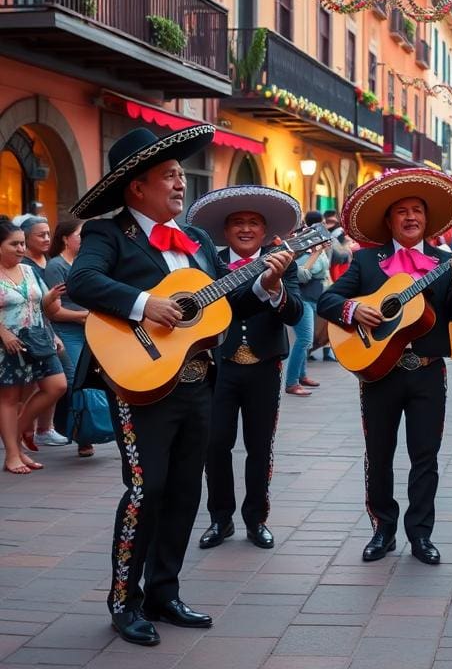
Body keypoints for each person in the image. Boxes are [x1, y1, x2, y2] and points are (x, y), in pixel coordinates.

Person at [67, 126, 294, 646]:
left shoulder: (194, 242)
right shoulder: (109, 233)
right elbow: (82, 283)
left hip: (197, 384)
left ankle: (164, 592)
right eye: (168, 176)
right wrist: (148, 304)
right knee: (148, 490)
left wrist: (266, 281)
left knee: (187, 491)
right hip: (139, 383)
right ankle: (124, 600)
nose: (179, 184)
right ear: (136, 187)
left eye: (178, 176)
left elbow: (219, 304)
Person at [316, 168, 452, 565]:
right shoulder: (367, 261)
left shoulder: (445, 260)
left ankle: (420, 534)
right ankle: (382, 528)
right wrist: (355, 309)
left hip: (426, 371)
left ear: (427, 219)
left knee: (426, 455)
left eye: (417, 210)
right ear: (389, 220)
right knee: (379, 453)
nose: (410, 217)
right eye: (401, 211)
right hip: (378, 371)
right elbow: (327, 300)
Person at [186, 186, 304, 551]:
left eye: (253, 222)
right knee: (215, 445)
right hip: (217, 367)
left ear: (266, 230)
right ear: (225, 230)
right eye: (238, 222)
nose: (246, 228)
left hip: (264, 366)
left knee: (259, 446)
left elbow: (296, 312)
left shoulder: (284, 260)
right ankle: (220, 519)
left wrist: (276, 286)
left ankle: (257, 519)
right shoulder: (206, 263)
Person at [0, 221, 67, 473]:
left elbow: (41, 306)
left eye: (22, 243)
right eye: (14, 244)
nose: (20, 248)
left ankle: (16, 440)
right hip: (9, 346)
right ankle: (12, 454)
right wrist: (2, 332)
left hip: (38, 340)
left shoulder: (28, 270)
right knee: (9, 398)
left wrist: (52, 299)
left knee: (57, 385)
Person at [44, 219, 96, 457]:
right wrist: (83, 315)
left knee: (93, 381)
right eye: (80, 235)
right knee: (75, 381)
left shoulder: (84, 263)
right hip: (67, 332)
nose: (84, 240)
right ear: (65, 238)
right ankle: (80, 435)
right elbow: (54, 310)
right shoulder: (56, 266)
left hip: (90, 330)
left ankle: (88, 432)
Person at [284, 210, 326, 397]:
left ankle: (301, 375)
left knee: (306, 340)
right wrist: (316, 253)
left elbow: (325, 271)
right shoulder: (298, 250)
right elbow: (301, 275)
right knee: (304, 340)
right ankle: (292, 382)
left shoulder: (315, 249)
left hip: (314, 298)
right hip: (302, 299)